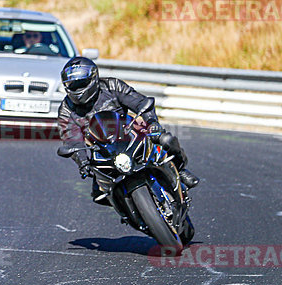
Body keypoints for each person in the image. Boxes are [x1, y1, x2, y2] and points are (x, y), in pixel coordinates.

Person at [57, 57, 199, 203]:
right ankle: (131, 210)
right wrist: (83, 162)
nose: (78, 88)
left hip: (130, 133)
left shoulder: (112, 85)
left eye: (81, 82)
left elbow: (140, 102)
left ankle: (180, 170)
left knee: (165, 139)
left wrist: (151, 123)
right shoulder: (66, 110)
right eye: (72, 85)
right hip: (102, 151)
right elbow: (71, 139)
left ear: (93, 78)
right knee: (99, 195)